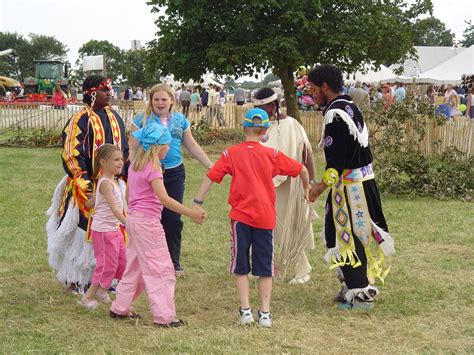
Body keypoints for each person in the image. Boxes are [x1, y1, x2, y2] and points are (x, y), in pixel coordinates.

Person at [193, 108, 310, 327]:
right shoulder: (272, 155)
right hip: (266, 218)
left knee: (240, 264)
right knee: (265, 266)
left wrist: (197, 201)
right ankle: (265, 313)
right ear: (266, 130)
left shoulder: (231, 153)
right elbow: (302, 170)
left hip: (240, 218)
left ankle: (245, 311)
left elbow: (211, 176)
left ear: (243, 128)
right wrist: (306, 190)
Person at [306, 64, 395, 309]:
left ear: (325, 86)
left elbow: (336, 164)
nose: (312, 94)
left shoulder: (334, 114)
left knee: (349, 237)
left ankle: (359, 293)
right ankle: (351, 284)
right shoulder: (350, 106)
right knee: (348, 233)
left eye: (314, 89)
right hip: (363, 182)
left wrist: (318, 187)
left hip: (350, 188)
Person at [111, 123, 206, 327]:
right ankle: (164, 317)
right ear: (160, 146)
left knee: (135, 266)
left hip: (134, 220)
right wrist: (191, 212)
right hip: (148, 225)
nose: (169, 149)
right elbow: (164, 199)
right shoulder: (153, 168)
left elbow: (128, 195)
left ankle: (120, 307)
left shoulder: (135, 165)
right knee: (161, 269)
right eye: (168, 146)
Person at [46, 75, 129, 292]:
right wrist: (84, 182)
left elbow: (124, 151)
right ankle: (75, 279)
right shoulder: (79, 120)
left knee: (111, 231)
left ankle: (103, 278)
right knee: (82, 233)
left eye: (109, 89)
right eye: (103, 89)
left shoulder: (115, 118)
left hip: (112, 184)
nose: (109, 93)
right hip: (84, 187)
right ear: (91, 93)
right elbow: (72, 155)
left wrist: (123, 177)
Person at [130, 83, 213, 277]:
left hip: (174, 173)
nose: (160, 103)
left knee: (173, 218)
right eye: (156, 99)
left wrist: (210, 165)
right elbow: (132, 147)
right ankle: (147, 261)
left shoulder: (180, 120)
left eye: (164, 99)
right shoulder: (142, 120)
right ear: (151, 101)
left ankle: (173, 262)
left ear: (172, 101)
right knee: (150, 217)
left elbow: (191, 144)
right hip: (149, 173)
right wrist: (135, 169)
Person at [252, 87, 316, 284]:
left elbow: (306, 153)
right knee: (261, 226)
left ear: (272, 106)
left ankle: (302, 269)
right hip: (262, 184)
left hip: (289, 184)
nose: (260, 111)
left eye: (263, 107)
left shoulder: (291, 125)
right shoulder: (257, 126)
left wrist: (311, 183)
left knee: (288, 226)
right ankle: (266, 267)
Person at [78, 144, 127, 309]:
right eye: (116, 160)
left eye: (121, 159)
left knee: (121, 261)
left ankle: (102, 289)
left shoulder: (112, 181)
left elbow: (96, 201)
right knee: (106, 265)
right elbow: (114, 208)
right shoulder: (106, 183)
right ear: (104, 162)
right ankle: (88, 297)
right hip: (104, 232)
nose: (121, 162)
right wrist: (128, 224)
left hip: (113, 229)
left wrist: (90, 201)